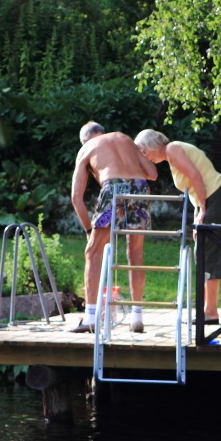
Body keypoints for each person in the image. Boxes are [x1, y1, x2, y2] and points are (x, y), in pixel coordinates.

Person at [134, 129, 221, 325]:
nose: (145, 157)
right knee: (204, 252)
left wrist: (202, 210)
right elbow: (194, 183)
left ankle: (210, 312)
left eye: (144, 152)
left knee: (209, 252)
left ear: (151, 146)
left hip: (217, 198)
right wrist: (199, 210)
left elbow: (196, 177)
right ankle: (207, 310)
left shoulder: (173, 149)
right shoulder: (172, 155)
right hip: (213, 199)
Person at [70, 121, 158, 333]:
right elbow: (152, 173)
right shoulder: (124, 138)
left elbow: (76, 198)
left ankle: (90, 317)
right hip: (140, 187)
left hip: (113, 187)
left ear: (85, 139)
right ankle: (136, 317)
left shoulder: (86, 148)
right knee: (135, 253)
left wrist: (89, 231)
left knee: (93, 251)